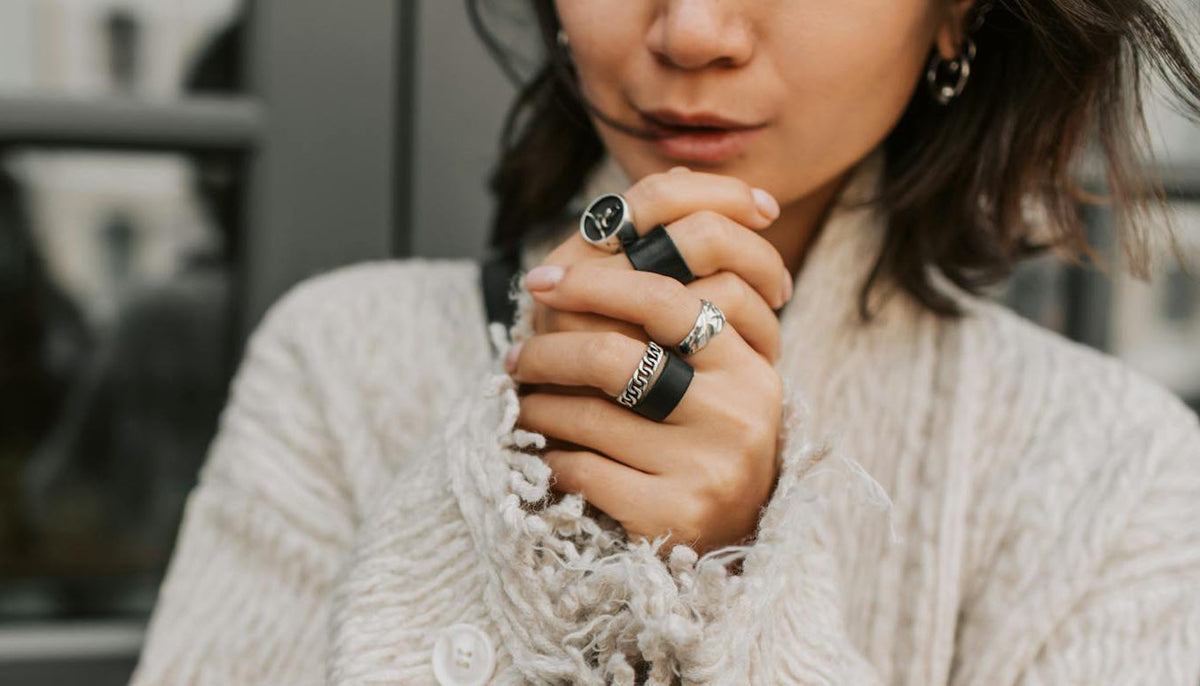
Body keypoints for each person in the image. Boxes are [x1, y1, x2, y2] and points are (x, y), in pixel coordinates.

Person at [130, 0, 1200, 684]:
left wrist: (734, 584)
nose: (692, 29)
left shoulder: (1115, 471)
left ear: (956, 14)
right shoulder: (340, 361)